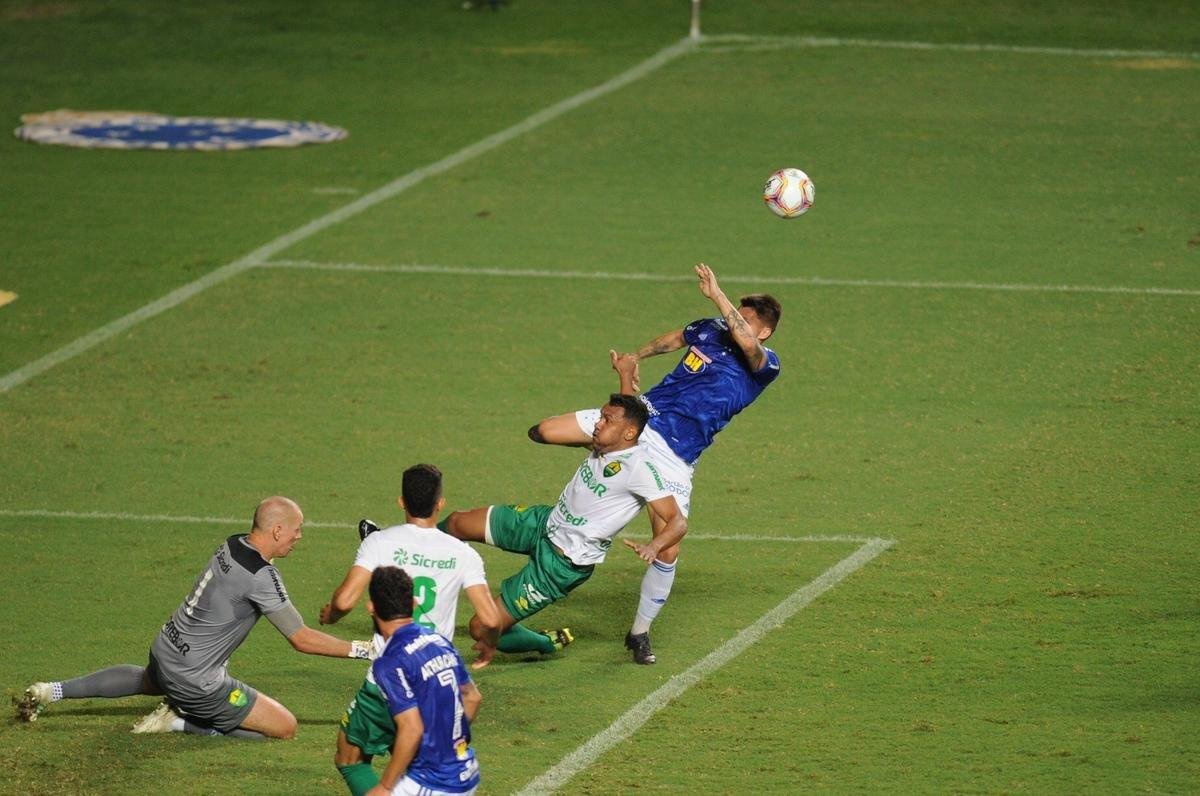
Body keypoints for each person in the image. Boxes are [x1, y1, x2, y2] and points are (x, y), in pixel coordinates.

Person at [530, 263, 782, 664]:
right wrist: (638, 356)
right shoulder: (711, 330)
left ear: (763, 332)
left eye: (745, 319)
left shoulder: (764, 364)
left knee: (667, 549)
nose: (733, 320)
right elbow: (677, 338)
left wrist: (717, 293)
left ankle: (639, 633)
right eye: (737, 313)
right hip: (641, 419)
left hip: (676, 456)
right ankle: (606, 452)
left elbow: (746, 341)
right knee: (543, 431)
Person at [15, 496, 375, 739]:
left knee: (147, 680)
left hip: (166, 649)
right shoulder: (262, 578)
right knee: (285, 726)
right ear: (277, 530)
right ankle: (179, 721)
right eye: (296, 528)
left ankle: (52, 690)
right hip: (196, 681)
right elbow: (301, 638)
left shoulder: (233, 543)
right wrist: (364, 649)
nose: (299, 536)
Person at [440, 393, 687, 665]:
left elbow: (677, 521)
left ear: (629, 432)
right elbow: (629, 413)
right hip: (544, 523)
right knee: (455, 523)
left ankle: (545, 643)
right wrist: (626, 375)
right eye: (600, 417)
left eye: (606, 420)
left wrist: (654, 546)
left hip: (560, 566)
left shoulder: (640, 469)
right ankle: (404, 549)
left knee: (482, 628)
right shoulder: (606, 443)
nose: (597, 424)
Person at [321, 464, 501, 794]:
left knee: (350, 759)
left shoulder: (378, 542)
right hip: (434, 679)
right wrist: (489, 644)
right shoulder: (463, 553)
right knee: (419, 763)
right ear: (440, 504)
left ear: (401, 501)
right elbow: (490, 619)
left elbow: (345, 601)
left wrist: (329, 615)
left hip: (388, 678)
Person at [357, 566, 483, 796]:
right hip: (466, 769)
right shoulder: (439, 641)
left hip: (433, 783)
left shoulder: (388, 662)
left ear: (371, 608)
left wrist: (385, 787)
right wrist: (450, 746)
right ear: (414, 604)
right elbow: (472, 697)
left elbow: (412, 728)